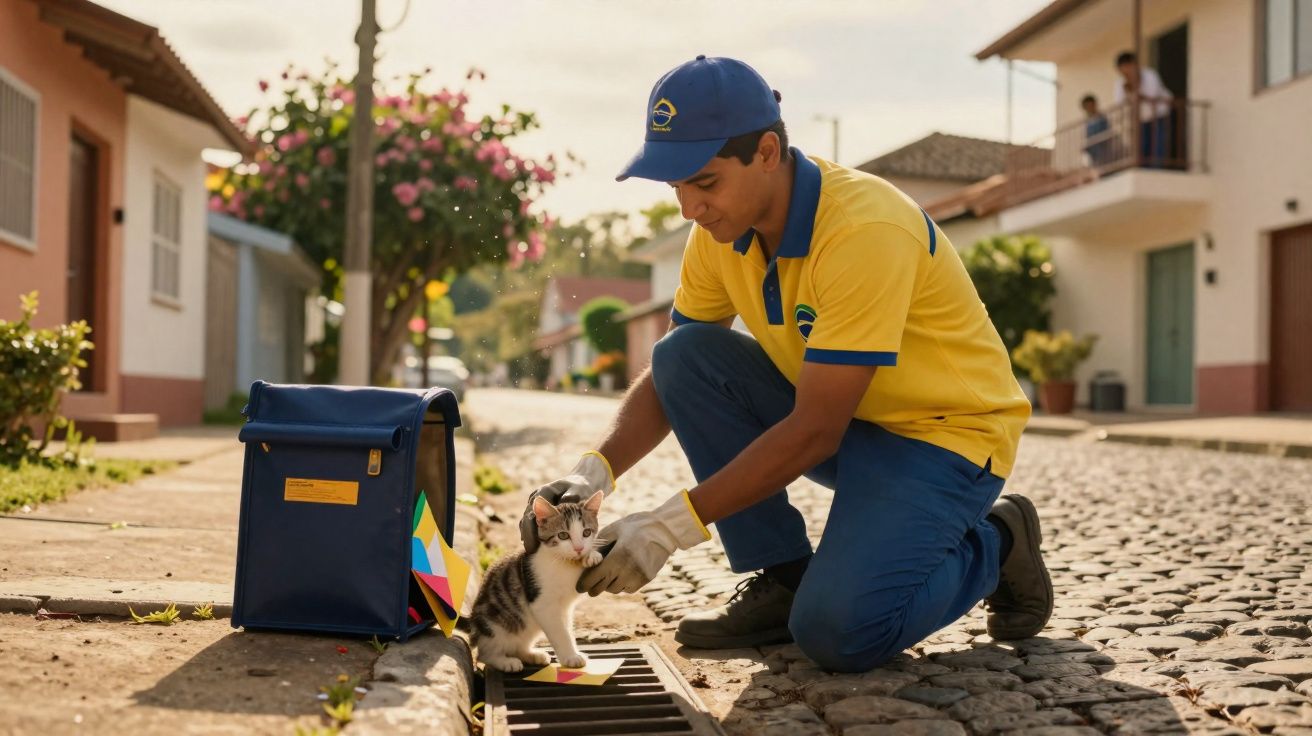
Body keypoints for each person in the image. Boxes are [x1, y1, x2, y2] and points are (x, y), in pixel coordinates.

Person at [518, 56, 1052, 673]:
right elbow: (674, 376)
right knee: (684, 355)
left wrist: (668, 528)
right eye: (676, 188)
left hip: (945, 442)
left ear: (767, 152)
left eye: (705, 182)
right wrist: (593, 472)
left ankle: (999, 540)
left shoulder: (863, 229)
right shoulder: (718, 235)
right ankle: (784, 577)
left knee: (838, 633)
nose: (690, 208)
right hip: (852, 427)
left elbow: (816, 430)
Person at [1114, 51, 1173, 168]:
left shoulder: (1150, 75)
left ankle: (1157, 170)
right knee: (1143, 147)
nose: (1127, 72)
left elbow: (1152, 94)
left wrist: (1133, 88)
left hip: (1159, 115)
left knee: (1158, 145)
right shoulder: (1120, 83)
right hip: (1141, 119)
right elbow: (1120, 103)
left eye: (1129, 67)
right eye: (1123, 70)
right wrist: (1128, 91)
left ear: (1135, 65)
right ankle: (1144, 170)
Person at [1081, 94, 1114, 168]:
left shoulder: (1101, 118)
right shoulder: (1087, 122)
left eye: (1090, 106)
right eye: (1087, 107)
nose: (1089, 109)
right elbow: (1088, 136)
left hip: (1103, 149)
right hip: (1093, 151)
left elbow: (1106, 132)